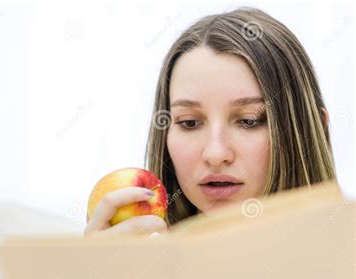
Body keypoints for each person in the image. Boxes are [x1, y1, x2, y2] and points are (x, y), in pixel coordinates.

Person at [84, 7, 336, 238]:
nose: (215, 154)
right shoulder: (146, 273)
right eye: (190, 123)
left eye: (249, 121)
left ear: (315, 129)